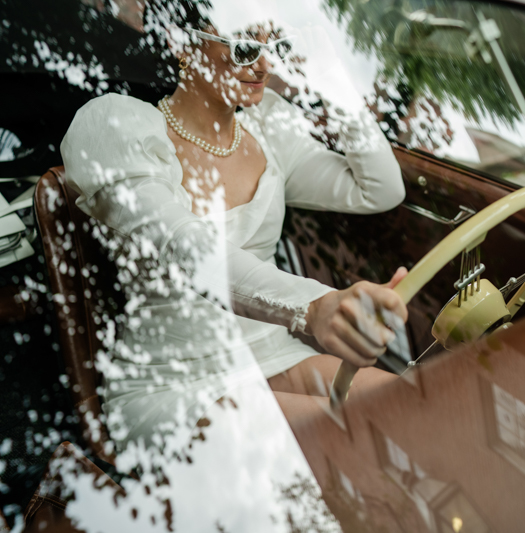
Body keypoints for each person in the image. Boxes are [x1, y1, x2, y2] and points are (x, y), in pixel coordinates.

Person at [59, 0, 407, 454]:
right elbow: (186, 246)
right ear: (182, 43)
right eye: (244, 47)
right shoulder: (118, 128)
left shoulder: (268, 130)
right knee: (343, 440)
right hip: (174, 380)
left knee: (407, 406)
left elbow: (380, 189)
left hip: (275, 353)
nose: (263, 64)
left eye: (272, 46)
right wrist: (313, 307)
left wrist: (333, 83)